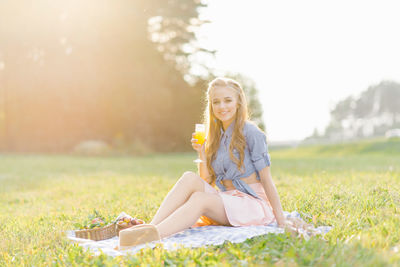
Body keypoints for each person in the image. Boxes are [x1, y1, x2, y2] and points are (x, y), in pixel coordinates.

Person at [117, 77, 295, 250]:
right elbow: (205, 181)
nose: (222, 106)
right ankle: (149, 227)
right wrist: (201, 152)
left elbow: (267, 180)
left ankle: (153, 234)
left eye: (227, 100)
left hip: (252, 205)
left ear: (238, 102)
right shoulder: (215, 135)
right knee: (189, 178)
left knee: (199, 199)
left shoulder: (251, 132)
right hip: (228, 200)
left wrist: (281, 220)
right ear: (211, 105)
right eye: (216, 102)